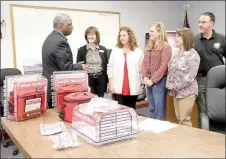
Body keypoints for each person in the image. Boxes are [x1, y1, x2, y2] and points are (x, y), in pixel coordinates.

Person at [42, 13, 87, 108]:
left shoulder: (51, 37)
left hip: (50, 87)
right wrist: (80, 67)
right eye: (69, 25)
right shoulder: (60, 41)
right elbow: (66, 68)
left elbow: (58, 63)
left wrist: (74, 64)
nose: (72, 27)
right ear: (61, 26)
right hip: (57, 89)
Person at [194, 12, 225, 127]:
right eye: (199, 22)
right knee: (202, 109)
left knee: (219, 106)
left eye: (203, 22)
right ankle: (202, 132)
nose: (200, 24)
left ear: (212, 23)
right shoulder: (195, 40)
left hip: (219, 81)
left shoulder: (222, 38)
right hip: (201, 79)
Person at [166, 28, 200, 127]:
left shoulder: (193, 54)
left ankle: (188, 142)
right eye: (176, 36)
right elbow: (172, 71)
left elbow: (190, 76)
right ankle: (181, 141)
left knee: (184, 120)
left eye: (178, 36)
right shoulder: (177, 53)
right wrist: (170, 85)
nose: (176, 38)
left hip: (187, 92)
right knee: (178, 118)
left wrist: (176, 86)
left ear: (186, 38)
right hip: (176, 91)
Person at [107, 26, 144, 109]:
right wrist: (110, 83)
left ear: (130, 36)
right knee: (120, 109)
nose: (122, 38)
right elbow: (110, 67)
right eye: (120, 36)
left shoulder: (138, 52)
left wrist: (142, 85)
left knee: (131, 108)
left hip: (133, 85)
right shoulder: (115, 51)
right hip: (118, 85)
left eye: (124, 35)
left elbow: (142, 70)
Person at [142, 22, 171, 120]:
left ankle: (160, 133)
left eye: (152, 31)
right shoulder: (150, 45)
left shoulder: (165, 46)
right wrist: (145, 76)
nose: (149, 33)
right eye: (149, 31)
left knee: (159, 110)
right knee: (151, 108)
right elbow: (144, 62)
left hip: (159, 82)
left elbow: (164, 65)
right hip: (148, 81)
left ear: (159, 32)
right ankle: (153, 130)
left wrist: (153, 80)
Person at [76, 26, 108, 97]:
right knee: (89, 100)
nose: (90, 36)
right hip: (88, 79)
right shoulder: (81, 50)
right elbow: (78, 67)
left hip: (101, 79)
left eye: (93, 34)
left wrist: (107, 83)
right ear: (86, 36)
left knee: (100, 101)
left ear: (97, 36)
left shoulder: (103, 49)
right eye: (88, 34)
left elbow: (106, 66)